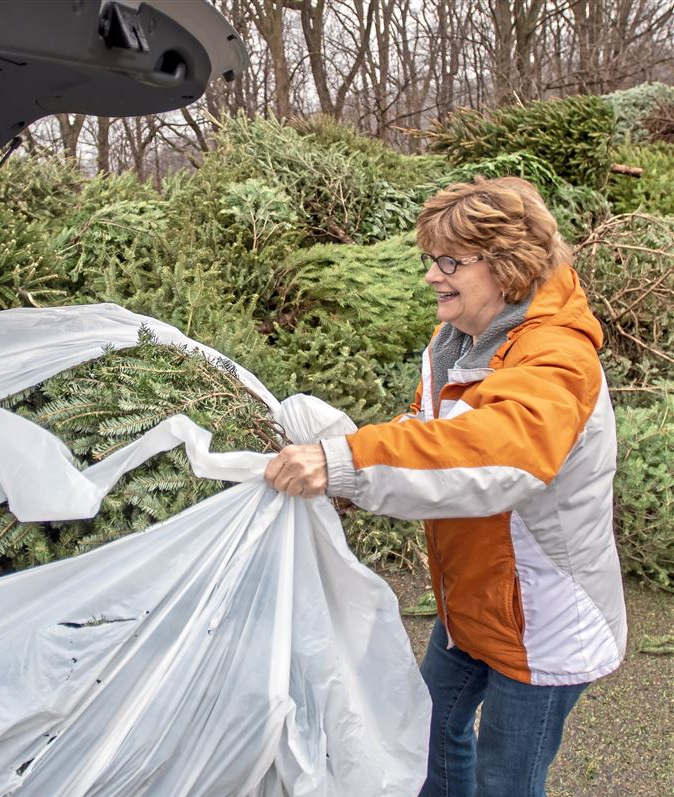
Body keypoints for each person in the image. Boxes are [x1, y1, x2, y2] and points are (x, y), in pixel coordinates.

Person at [264, 175, 627, 797]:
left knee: (505, 779)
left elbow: (498, 455)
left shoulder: (555, 358)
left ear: (509, 265)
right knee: (426, 737)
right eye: (431, 259)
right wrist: (349, 476)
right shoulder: (456, 340)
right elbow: (432, 432)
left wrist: (348, 461)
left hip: (541, 619)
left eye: (451, 261)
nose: (432, 275)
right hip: (471, 599)